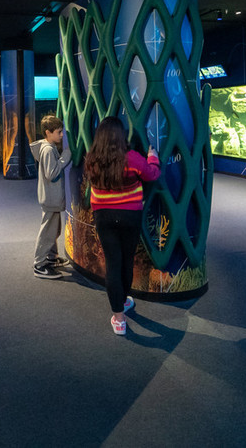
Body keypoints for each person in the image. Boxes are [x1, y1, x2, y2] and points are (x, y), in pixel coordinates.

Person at [84, 116, 160, 335]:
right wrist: (153, 157)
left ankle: (119, 318)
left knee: (113, 264)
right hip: (130, 217)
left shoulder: (92, 159)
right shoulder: (132, 158)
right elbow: (152, 174)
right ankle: (123, 300)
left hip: (104, 217)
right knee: (127, 261)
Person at [29, 114, 72, 279]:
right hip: (50, 198)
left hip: (50, 197)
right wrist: (65, 157)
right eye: (58, 132)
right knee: (48, 232)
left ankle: (51, 257)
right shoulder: (47, 150)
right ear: (48, 132)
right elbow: (51, 173)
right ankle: (39, 265)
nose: (61, 135)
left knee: (53, 229)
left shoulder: (49, 146)